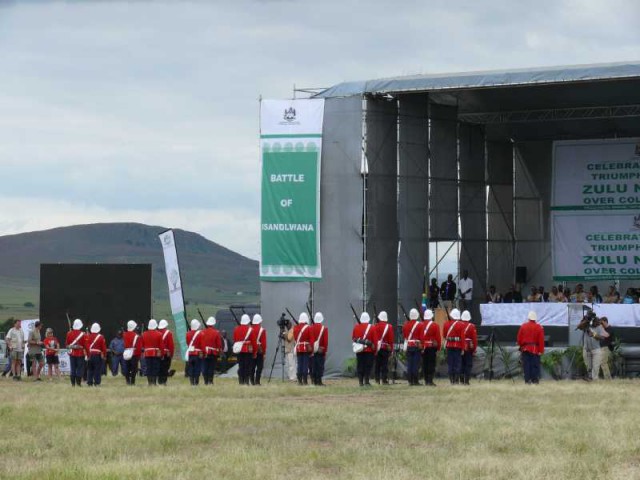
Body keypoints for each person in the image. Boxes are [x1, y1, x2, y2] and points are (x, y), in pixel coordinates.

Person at [517, 311, 544, 384]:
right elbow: (541, 340)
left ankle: (527, 380)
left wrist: (520, 346)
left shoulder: (523, 326)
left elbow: (519, 338)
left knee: (526, 365)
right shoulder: (539, 327)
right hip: (535, 349)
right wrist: (540, 351)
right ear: (535, 319)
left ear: (529, 318)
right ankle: (534, 380)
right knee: (534, 365)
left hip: (525, 349)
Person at [352, 312, 378, 387]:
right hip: (369, 351)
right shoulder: (372, 327)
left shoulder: (356, 327)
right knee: (368, 366)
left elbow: (353, 338)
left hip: (359, 350)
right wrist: (375, 350)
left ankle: (360, 381)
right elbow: (375, 341)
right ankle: (366, 381)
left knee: (360, 366)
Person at [580, 315, 609, 381]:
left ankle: (594, 380)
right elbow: (579, 327)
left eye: (598, 322)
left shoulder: (599, 327)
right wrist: (585, 320)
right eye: (596, 322)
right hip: (586, 349)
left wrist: (594, 335)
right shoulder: (587, 326)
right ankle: (590, 379)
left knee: (596, 367)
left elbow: (603, 337)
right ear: (592, 322)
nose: (598, 323)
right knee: (588, 367)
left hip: (596, 350)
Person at [442, 308, 465, 384]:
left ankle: (451, 379)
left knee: (450, 363)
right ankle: (456, 380)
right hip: (458, 346)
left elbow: (444, 335)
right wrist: (463, 348)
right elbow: (462, 337)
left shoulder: (446, 324)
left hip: (449, 345)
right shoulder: (461, 325)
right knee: (457, 363)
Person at [289, 312, 312, 385]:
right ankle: (305, 380)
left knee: (299, 364)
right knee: (305, 365)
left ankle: (299, 381)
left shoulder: (295, 328)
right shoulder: (308, 327)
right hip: (305, 348)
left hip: (298, 348)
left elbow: (295, 338)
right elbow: (310, 339)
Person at [233, 314, 256, 385]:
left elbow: (235, 340)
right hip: (247, 350)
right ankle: (246, 381)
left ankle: (241, 381)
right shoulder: (251, 330)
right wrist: (254, 352)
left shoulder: (236, 329)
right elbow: (254, 342)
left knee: (241, 366)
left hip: (239, 350)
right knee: (247, 366)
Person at [420, 309, 441, 387]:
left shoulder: (421, 325)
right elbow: (438, 338)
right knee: (431, 364)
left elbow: (420, 336)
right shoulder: (435, 325)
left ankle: (426, 380)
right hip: (431, 347)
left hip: (423, 348)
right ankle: (430, 380)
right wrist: (438, 347)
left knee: (425, 364)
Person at [402, 308, 422, 386]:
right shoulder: (420, 325)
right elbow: (421, 337)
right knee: (415, 364)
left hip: (409, 346)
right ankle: (415, 380)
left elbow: (404, 336)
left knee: (410, 364)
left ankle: (410, 380)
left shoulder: (405, 325)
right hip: (416, 346)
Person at [141, 319, 164, 386]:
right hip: (156, 354)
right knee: (155, 368)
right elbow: (161, 346)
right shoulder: (159, 334)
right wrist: (162, 355)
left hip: (147, 354)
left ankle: (149, 382)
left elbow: (142, 346)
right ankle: (154, 382)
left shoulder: (144, 334)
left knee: (148, 368)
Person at [373, 311, 393, 385]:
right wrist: (391, 350)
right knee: (384, 364)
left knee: (377, 364)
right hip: (385, 348)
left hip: (377, 348)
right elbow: (390, 339)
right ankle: (384, 379)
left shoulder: (375, 326)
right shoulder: (389, 326)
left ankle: (377, 379)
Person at [201, 316, 222, 385]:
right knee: (211, 367)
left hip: (204, 352)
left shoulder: (202, 332)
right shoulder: (216, 332)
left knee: (205, 367)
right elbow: (219, 344)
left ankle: (205, 381)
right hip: (213, 353)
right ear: (213, 324)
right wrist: (219, 352)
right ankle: (210, 381)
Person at [66, 319, 87, 387]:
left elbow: (67, 345)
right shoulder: (83, 334)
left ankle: (73, 384)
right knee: (79, 369)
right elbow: (85, 345)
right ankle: (78, 383)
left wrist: (73, 346)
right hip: (80, 354)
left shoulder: (69, 333)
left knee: (73, 369)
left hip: (72, 354)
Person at [310, 312, 328, 386]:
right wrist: (325, 350)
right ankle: (319, 381)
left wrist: (312, 349)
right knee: (320, 366)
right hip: (321, 350)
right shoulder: (324, 328)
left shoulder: (311, 328)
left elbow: (310, 340)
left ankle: (314, 380)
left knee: (314, 365)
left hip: (313, 350)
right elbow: (325, 341)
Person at [86, 323, 107, 387]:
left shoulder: (88, 336)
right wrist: (105, 355)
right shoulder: (101, 337)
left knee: (90, 369)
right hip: (97, 355)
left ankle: (89, 382)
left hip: (90, 354)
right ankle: (97, 382)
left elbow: (86, 346)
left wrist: (87, 355)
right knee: (97, 369)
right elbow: (103, 347)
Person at [122, 320, 142, 386]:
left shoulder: (124, 334)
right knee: (134, 369)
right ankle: (132, 382)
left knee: (127, 368)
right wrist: (139, 356)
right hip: (134, 354)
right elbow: (139, 348)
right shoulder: (137, 336)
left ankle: (127, 380)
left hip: (126, 352)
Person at [460, 310, 477, 385]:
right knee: (468, 364)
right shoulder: (472, 326)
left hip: (460, 346)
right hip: (469, 347)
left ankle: (461, 379)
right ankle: (466, 381)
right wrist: (474, 349)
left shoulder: (459, 325)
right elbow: (474, 339)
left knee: (461, 363)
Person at [186, 319, 204, 386]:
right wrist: (202, 352)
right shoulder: (201, 334)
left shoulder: (187, 333)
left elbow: (188, 343)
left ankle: (191, 382)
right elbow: (202, 344)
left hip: (190, 353)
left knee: (191, 368)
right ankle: (196, 382)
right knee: (197, 368)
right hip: (198, 354)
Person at [249, 314, 266, 386]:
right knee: (259, 367)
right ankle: (257, 381)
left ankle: (252, 381)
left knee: (252, 366)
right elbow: (264, 343)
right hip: (259, 351)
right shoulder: (262, 330)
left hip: (252, 350)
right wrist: (264, 352)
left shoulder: (250, 329)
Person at [158, 319, 174, 385]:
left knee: (159, 367)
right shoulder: (169, 333)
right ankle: (163, 382)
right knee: (165, 368)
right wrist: (171, 354)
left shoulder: (157, 332)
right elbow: (171, 345)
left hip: (158, 353)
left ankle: (159, 381)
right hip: (166, 354)